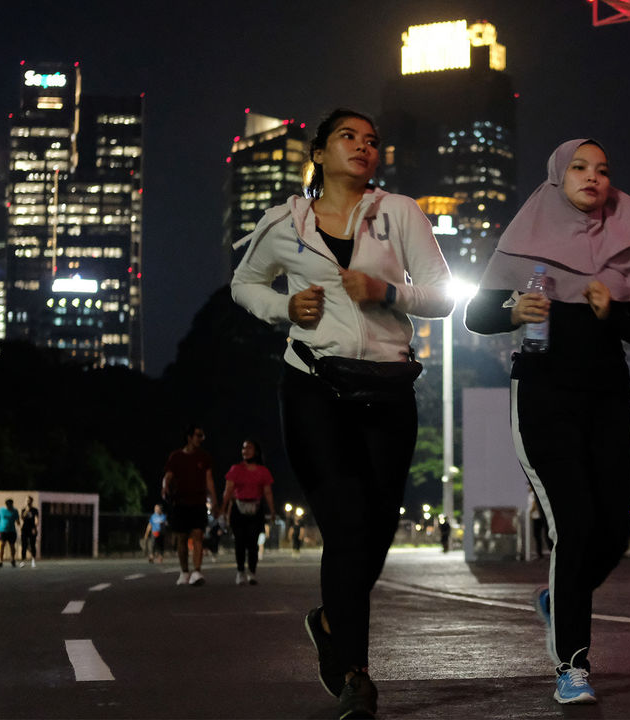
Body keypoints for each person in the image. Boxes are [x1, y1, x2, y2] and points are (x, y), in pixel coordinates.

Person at [231, 107, 453, 719]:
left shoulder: (401, 213)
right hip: (313, 388)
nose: (363, 147)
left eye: (373, 141)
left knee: (377, 529)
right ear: (319, 153)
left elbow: (442, 295)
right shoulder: (284, 221)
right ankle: (356, 671)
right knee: (348, 520)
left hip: (386, 389)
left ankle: (330, 619)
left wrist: (389, 292)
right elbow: (244, 283)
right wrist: (284, 308)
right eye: (347, 138)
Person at [465, 139, 630, 705]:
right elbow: (478, 314)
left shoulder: (625, 247)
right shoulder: (526, 239)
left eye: (603, 170)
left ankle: (556, 599)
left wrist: (612, 306)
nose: (593, 177)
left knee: (615, 530)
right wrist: (514, 309)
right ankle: (573, 666)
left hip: (608, 398)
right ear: (558, 177)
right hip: (543, 397)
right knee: (577, 525)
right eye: (580, 168)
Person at [161, 424, 219, 586]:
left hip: (199, 502)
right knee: (181, 538)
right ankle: (184, 571)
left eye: (202, 436)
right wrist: (165, 486)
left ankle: (197, 571)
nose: (201, 439)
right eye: (198, 435)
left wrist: (214, 501)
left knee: (198, 535)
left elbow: (209, 480)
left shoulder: (204, 457)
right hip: (180, 502)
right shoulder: (176, 456)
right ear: (189, 437)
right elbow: (168, 475)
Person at [221, 439, 277, 585]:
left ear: (256, 451)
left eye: (249, 448)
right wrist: (222, 509)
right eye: (243, 448)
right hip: (238, 509)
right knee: (239, 541)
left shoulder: (263, 471)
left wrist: (272, 512)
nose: (245, 451)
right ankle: (240, 572)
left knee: (253, 543)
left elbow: (268, 493)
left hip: (256, 509)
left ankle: (252, 572)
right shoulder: (236, 469)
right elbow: (228, 491)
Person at [0, 498, 19, 568]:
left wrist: (19, 523)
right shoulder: (1, 510)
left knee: (12, 546)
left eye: (11, 505)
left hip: (12, 531)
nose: (10, 506)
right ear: (6, 504)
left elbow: (17, 521)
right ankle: (0, 561)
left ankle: (12, 559)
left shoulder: (15, 511)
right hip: (3, 531)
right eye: (8, 505)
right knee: (2, 545)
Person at [20, 496, 39, 568]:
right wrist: (27, 510)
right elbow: (22, 518)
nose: (28, 501)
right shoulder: (23, 509)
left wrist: (35, 528)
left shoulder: (35, 510)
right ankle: (22, 561)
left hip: (32, 529)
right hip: (24, 529)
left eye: (29, 500)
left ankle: (33, 560)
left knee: (32, 545)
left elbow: (37, 519)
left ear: (31, 501)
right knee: (24, 545)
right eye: (27, 500)